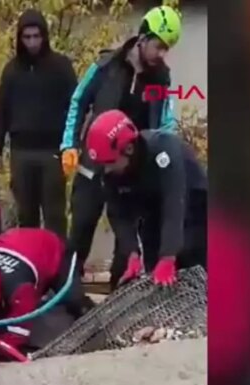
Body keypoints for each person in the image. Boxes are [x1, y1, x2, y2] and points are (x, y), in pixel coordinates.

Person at [58, 6, 182, 286]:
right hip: (93, 166)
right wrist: (69, 145)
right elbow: (78, 101)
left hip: (131, 172)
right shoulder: (106, 66)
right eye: (159, 46)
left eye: (168, 49)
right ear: (143, 37)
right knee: (80, 233)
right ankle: (68, 295)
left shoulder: (161, 78)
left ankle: (118, 298)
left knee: (126, 246)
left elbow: (165, 121)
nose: (162, 54)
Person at [83, 109, 206, 287]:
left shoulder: (163, 150)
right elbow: (118, 213)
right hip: (153, 212)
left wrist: (168, 256)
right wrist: (132, 253)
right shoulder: (111, 171)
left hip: (194, 207)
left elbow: (174, 204)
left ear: (129, 149)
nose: (107, 170)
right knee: (153, 272)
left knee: (189, 265)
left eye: (110, 163)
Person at [0, 8, 77, 237]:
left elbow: (76, 106)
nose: (32, 42)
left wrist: (74, 143)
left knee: (54, 214)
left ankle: (58, 264)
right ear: (20, 39)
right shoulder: (11, 71)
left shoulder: (61, 67)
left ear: (44, 36)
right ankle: (30, 264)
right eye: (26, 37)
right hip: (21, 151)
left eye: (36, 36)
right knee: (26, 214)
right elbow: (1, 111)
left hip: (53, 150)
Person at [0, 228, 93, 360]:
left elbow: (16, 337)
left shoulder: (20, 289)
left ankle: (94, 326)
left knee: (73, 301)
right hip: (18, 244)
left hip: (53, 247)